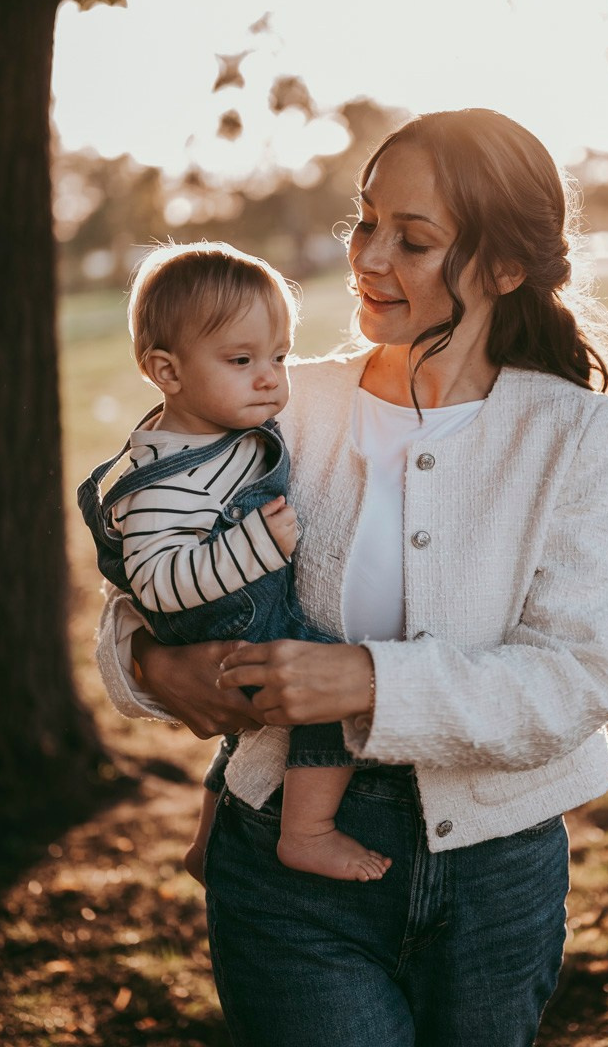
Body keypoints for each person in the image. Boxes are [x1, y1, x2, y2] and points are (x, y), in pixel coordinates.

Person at [95, 108, 608, 1047]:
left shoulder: (574, 432)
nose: (368, 256)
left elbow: (578, 677)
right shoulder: (277, 401)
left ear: (504, 269)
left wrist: (366, 680)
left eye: (414, 240)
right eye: (366, 220)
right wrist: (149, 667)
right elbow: (145, 573)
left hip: (496, 869)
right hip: (280, 865)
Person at [78, 242, 391, 884]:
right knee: (328, 699)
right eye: (242, 360)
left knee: (244, 742)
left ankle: (205, 842)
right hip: (225, 617)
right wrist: (251, 548)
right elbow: (157, 588)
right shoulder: (160, 482)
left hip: (240, 611)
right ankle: (307, 832)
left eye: (278, 355)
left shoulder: (216, 430)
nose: (273, 377)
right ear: (167, 372)